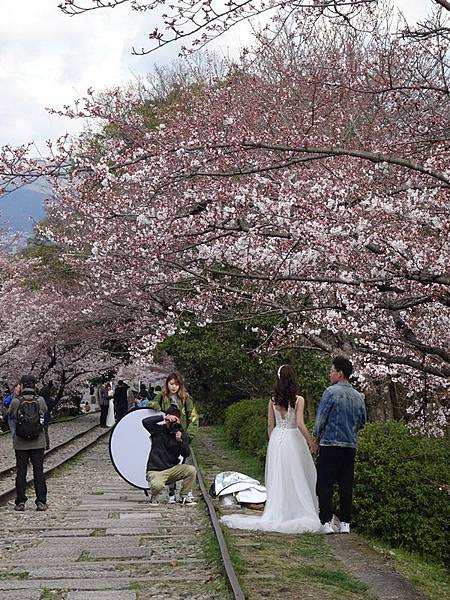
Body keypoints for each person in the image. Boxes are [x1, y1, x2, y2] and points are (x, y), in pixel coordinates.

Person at [221, 364, 322, 533]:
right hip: (293, 437)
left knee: (279, 475)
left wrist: (273, 440)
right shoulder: (299, 400)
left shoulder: (273, 400)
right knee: (296, 474)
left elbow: (270, 424)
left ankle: (278, 510)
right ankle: (296, 509)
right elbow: (300, 424)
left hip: (277, 438)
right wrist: (311, 441)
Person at [313, 356, 367, 535]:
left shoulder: (330, 393)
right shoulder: (358, 396)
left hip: (330, 444)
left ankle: (326, 522)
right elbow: (362, 421)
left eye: (332, 371)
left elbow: (321, 419)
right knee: (346, 484)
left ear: (340, 373)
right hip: (350, 445)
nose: (330, 374)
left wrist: (317, 437)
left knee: (325, 483)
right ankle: (345, 523)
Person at [149, 371, 199, 503]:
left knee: (183, 461)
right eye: (171, 384)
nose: (174, 387)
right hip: (165, 434)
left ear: (180, 385)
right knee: (169, 461)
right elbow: (151, 405)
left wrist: (188, 435)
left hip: (181, 434)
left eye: (176, 384)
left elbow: (193, 418)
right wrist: (158, 408)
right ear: (167, 384)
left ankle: (186, 492)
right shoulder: (161, 397)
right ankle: (171, 491)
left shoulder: (186, 399)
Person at [8, 374, 48, 511]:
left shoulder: (16, 402)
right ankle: (41, 501)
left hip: (20, 443)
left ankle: (20, 502)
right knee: (38, 471)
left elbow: (10, 414)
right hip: (38, 442)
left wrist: (16, 395)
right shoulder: (40, 400)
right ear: (35, 385)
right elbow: (45, 411)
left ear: (22, 386)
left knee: (21, 471)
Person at [142, 406, 197, 505]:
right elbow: (145, 422)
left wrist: (180, 441)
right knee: (157, 486)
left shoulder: (180, 433)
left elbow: (186, 454)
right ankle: (155, 495)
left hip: (172, 469)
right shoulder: (158, 430)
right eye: (170, 421)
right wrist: (163, 417)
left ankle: (184, 496)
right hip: (156, 469)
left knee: (191, 470)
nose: (172, 424)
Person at [40, 380, 56, 450]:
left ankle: (42, 444)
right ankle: (47, 444)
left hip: (41, 416)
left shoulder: (40, 400)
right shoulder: (50, 400)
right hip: (47, 416)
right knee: (46, 431)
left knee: (41, 430)